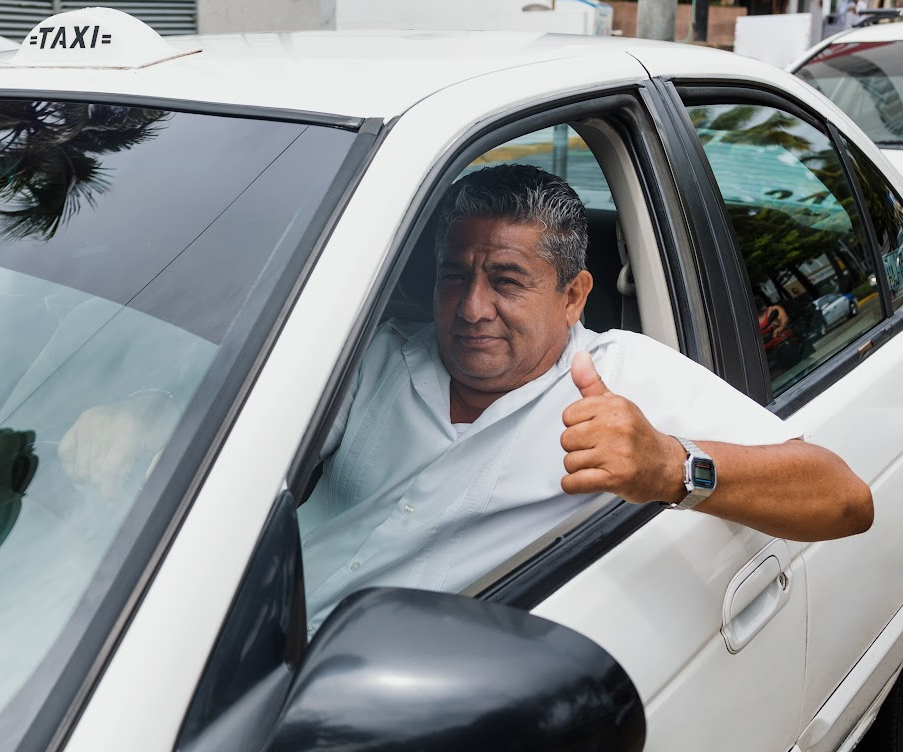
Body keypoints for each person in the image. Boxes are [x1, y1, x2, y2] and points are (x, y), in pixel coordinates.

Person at [59, 164, 873, 630]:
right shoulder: (376, 360)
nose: (472, 306)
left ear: (575, 295)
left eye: (508, 281)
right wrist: (145, 414)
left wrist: (668, 466)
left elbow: (844, 498)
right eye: (457, 276)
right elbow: (241, 424)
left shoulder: (622, 377)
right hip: (220, 640)